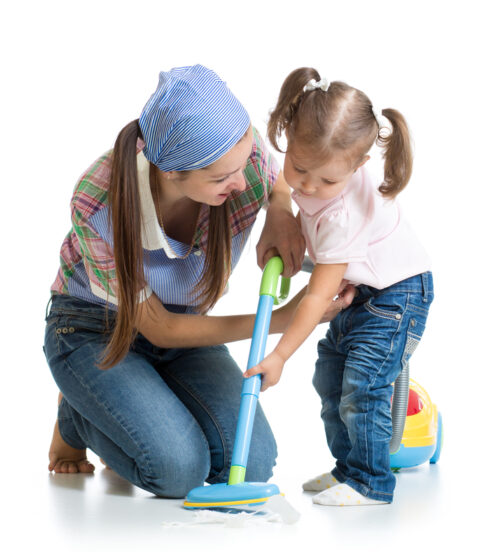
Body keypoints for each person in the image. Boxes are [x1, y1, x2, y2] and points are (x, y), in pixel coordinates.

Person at [44, 65, 354, 498]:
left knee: (250, 465)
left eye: (246, 162)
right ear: (170, 172)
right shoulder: (98, 203)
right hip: (96, 328)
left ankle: (135, 405)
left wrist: (280, 209)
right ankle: (78, 414)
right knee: (176, 471)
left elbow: (278, 177)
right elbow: (159, 328)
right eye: (222, 178)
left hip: (184, 328)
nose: (244, 181)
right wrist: (284, 318)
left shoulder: (234, 153)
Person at [243, 67, 434, 506]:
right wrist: (281, 206)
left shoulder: (340, 214)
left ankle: (370, 482)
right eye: (299, 166)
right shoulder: (320, 165)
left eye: (327, 180)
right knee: (330, 376)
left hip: (397, 295)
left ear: (359, 165)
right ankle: (348, 469)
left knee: (363, 385)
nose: (309, 185)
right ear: (288, 138)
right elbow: (284, 183)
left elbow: (317, 295)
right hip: (364, 292)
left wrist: (279, 355)